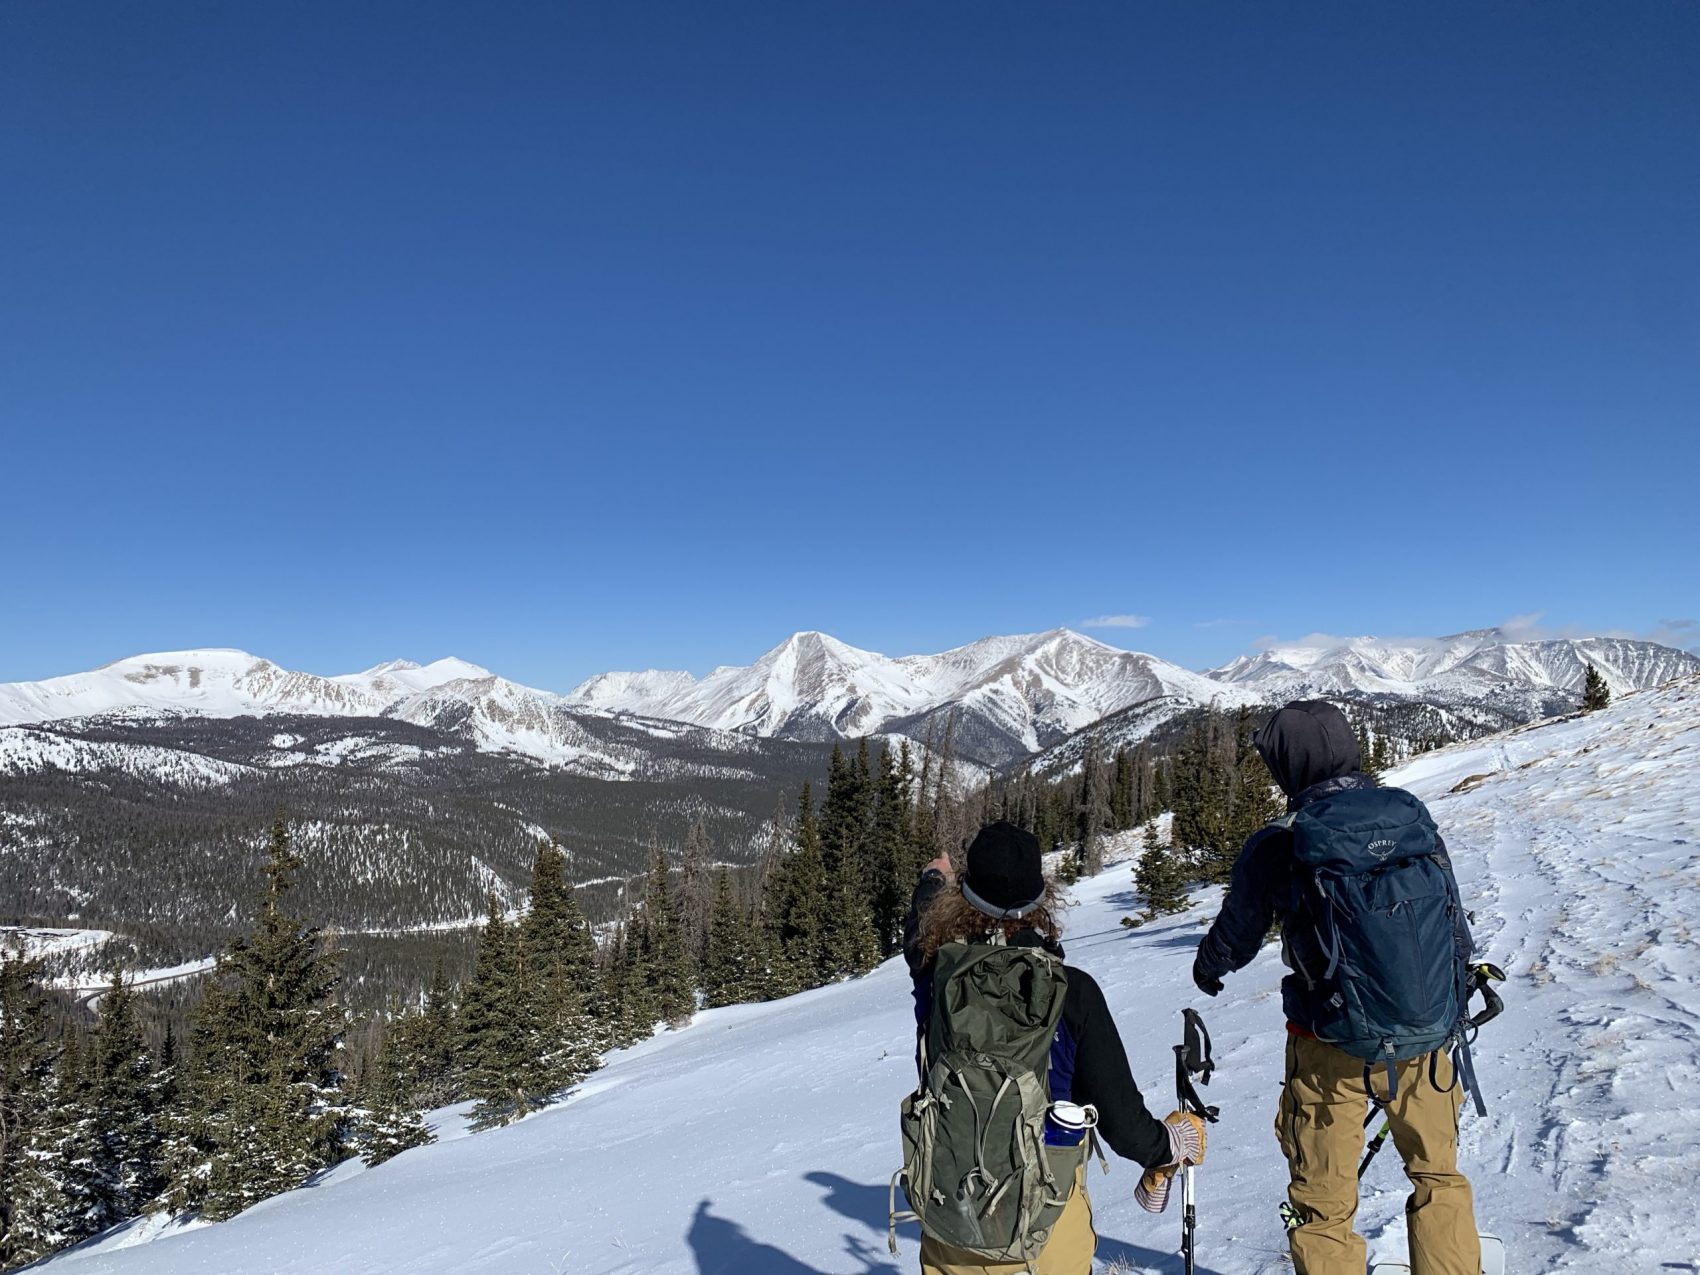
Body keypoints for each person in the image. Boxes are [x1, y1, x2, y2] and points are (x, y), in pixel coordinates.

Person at [1192, 700, 1481, 1275]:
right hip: (1426, 1035)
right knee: (1438, 1176)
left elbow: (1239, 934)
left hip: (1329, 1042)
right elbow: (1454, 926)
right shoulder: (1409, 816)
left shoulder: (1281, 841)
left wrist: (1210, 967)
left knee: (1322, 1205)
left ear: (1286, 766)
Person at [901, 821, 1203, 1275]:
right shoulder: (1071, 992)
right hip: (1045, 1229)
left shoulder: (937, 974)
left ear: (960, 896)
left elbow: (918, 930)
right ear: (1041, 899)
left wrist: (932, 881)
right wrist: (1166, 1147)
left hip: (953, 1220)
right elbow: (1122, 1122)